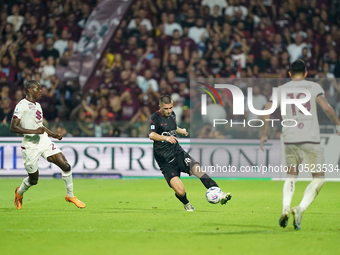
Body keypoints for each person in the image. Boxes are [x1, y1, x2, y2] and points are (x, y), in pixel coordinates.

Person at [260, 60, 340, 230]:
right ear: (305, 73)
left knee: (291, 176)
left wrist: (263, 135)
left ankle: (286, 208)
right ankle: (300, 208)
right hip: (310, 137)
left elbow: (266, 113)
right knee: (319, 178)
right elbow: (326, 108)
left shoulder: (281, 89)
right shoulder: (313, 87)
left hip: (289, 138)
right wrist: (338, 125)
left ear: (289, 74)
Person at [11, 80, 85, 210]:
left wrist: (52, 134)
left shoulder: (38, 106)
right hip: (30, 146)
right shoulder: (21, 105)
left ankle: (70, 196)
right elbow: (13, 127)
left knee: (66, 166)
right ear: (29, 90)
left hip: (43, 141)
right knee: (33, 180)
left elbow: (40, 126)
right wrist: (35, 131)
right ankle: (19, 193)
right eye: (37, 89)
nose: (40, 91)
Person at [148, 95, 232, 211]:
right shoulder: (155, 118)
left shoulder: (172, 114)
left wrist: (180, 130)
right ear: (160, 107)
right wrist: (165, 138)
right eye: (166, 109)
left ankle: (220, 194)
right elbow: (151, 135)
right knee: (180, 192)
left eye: (170, 108)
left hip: (178, 153)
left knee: (199, 171)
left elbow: (172, 127)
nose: (168, 111)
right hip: (165, 161)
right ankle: (186, 203)